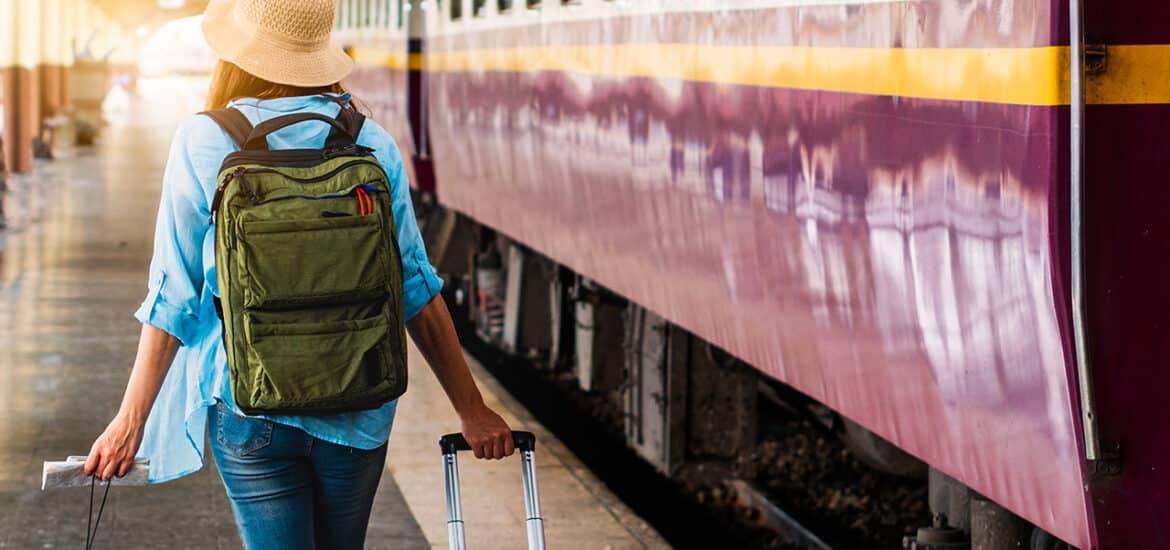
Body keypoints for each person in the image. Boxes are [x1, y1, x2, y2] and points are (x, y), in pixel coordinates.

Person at [82, 1, 514, 548]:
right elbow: (414, 289)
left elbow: (173, 295)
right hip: (358, 404)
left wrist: (130, 421)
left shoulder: (205, 141)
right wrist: (470, 409)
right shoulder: (371, 143)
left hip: (250, 406)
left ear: (237, 55)